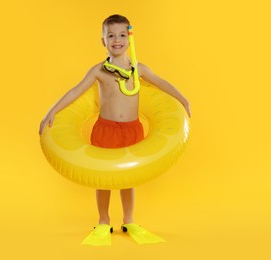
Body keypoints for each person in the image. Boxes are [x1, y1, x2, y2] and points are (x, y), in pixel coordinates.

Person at [39, 14, 191, 245]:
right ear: (103, 41)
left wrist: (183, 100)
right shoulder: (99, 71)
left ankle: (129, 220)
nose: (116, 40)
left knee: (128, 178)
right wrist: (51, 111)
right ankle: (103, 221)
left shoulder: (138, 69)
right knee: (103, 178)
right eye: (111, 35)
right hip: (105, 129)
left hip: (132, 130)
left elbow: (162, 83)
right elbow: (75, 91)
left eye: (121, 35)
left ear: (129, 39)